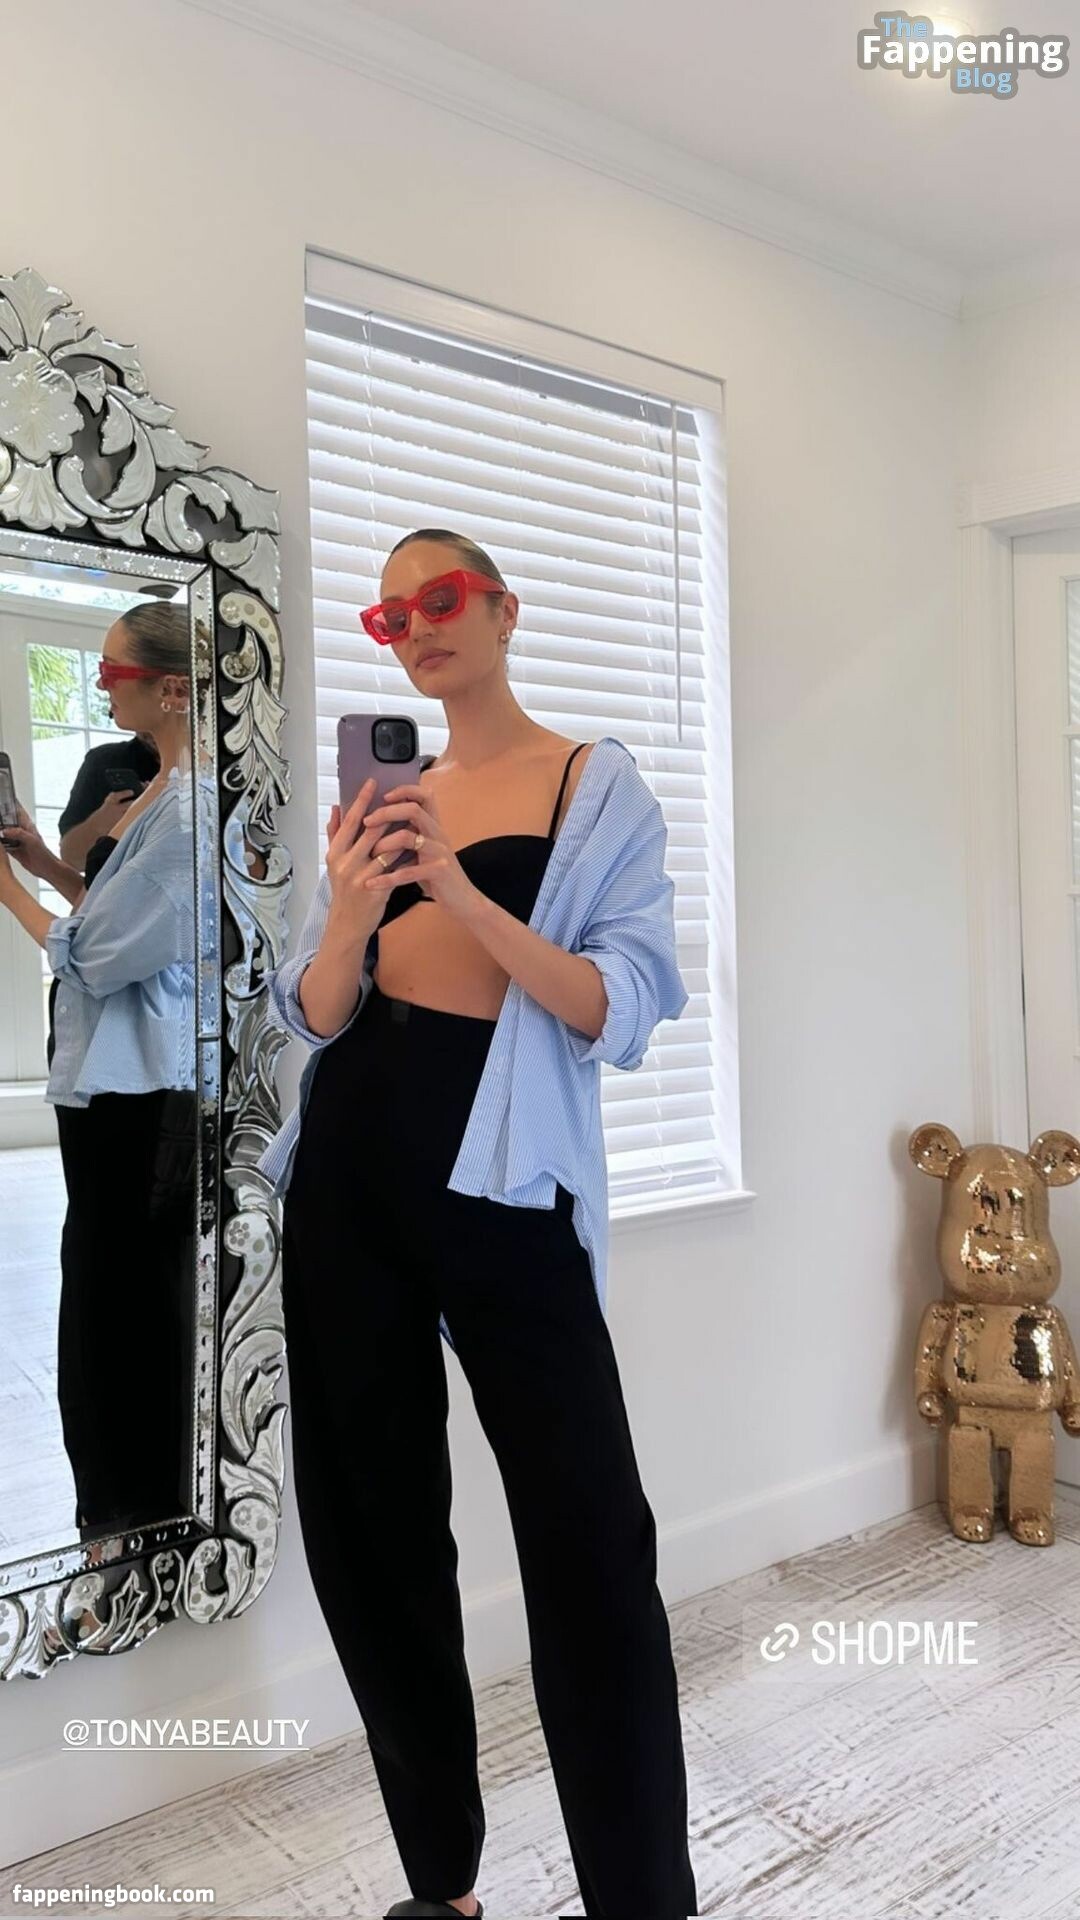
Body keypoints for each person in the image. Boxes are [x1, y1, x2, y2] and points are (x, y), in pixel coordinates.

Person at [258, 530, 699, 1920]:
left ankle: (642, 1898)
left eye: (441, 599)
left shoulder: (590, 784)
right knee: (373, 1530)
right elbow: (316, 1011)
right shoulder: (385, 798)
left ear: (505, 610)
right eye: (391, 616)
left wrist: (457, 890)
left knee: (590, 1542)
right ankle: (440, 1885)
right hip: (352, 1165)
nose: (417, 628)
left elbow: (621, 1006)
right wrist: (352, 909)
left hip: (505, 1174)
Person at [0, 603, 197, 1534]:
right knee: (102, 1294)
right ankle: (115, 1510)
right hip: (108, 1080)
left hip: (138, 1090)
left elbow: (101, 955)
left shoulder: (188, 812)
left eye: (115, 673)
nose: (102, 686)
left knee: (115, 1309)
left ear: (172, 688)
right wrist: (44, 862)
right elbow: (113, 915)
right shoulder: (158, 789)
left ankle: (128, 1515)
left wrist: (8, 894)